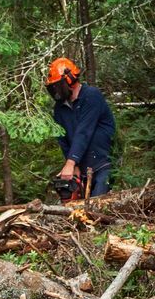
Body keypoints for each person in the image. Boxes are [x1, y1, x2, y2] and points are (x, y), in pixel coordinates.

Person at [46, 56, 116, 199]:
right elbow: (63, 138)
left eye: (58, 86)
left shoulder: (91, 96)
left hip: (103, 163)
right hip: (82, 167)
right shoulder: (60, 108)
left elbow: (84, 132)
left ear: (70, 80)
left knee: (98, 205)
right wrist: (73, 165)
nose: (56, 90)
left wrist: (71, 163)